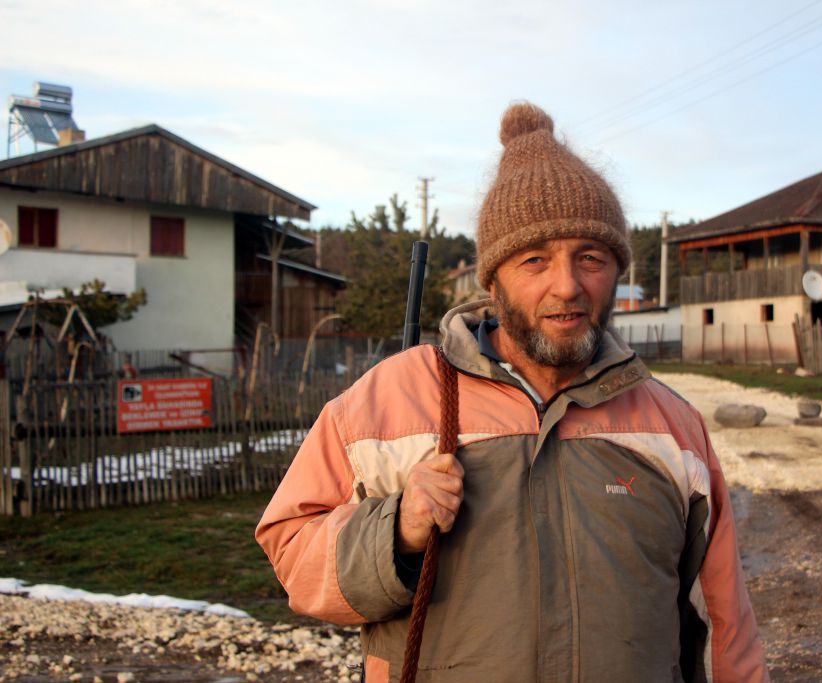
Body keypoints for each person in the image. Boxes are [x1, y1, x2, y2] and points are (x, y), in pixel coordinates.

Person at [256, 102, 768, 682]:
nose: (568, 285)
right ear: (493, 281)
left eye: (590, 258)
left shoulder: (673, 426)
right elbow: (291, 554)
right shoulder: (389, 400)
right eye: (535, 260)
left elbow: (725, 622)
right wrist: (395, 530)